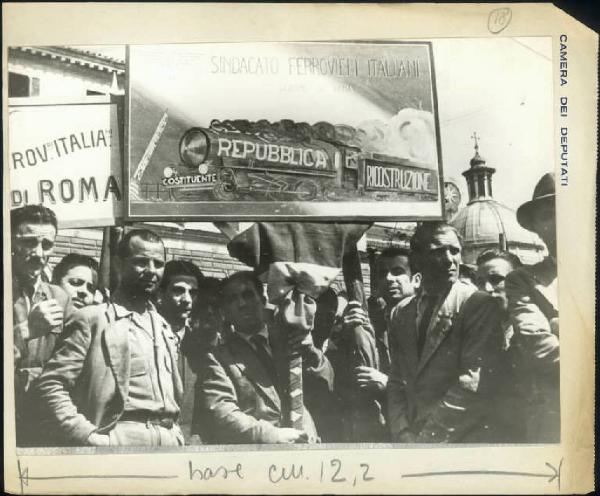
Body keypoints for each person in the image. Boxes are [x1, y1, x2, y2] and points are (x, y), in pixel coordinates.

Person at [35, 229, 184, 446]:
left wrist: (177, 436)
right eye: (141, 261)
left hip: (169, 443)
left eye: (158, 264)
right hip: (119, 441)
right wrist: (86, 434)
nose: (151, 271)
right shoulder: (93, 319)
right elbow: (52, 383)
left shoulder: (165, 329)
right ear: (118, 264)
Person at [387, 222, 504, 443]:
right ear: (418, 258)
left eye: (455, 251)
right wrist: (401, 431)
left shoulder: (477, 304)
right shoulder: (401, 312)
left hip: (459, 437)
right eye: (438, 251)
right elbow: (396, 379)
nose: (450, 259)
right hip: (409, 438)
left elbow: (471, 382)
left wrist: (426, 440)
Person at [195, 271, 334, 444]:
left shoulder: (288, 343)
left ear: (262, 300)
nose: (242, 304)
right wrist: (273, 435)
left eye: (248, 295)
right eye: (232, 299)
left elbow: (326, 385)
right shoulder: (218, 358)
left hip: (306, 443)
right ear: (226, 312)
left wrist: (311, 352)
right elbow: (222, 411)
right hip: (262, 453)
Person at [11, 205, 71, 446]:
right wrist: (27, 331)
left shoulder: (60, 297)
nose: (39, 253)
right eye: (29, 243)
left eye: (47, 244)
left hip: (45, 419)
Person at [506, 172, 559, 442]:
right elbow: (539, 345)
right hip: (556, 415)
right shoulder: (522, 280)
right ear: (536, 227)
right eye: (549, 215)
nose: (561, 222)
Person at [476, 248, 526, 441]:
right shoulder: (480, 332)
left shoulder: (537, 328)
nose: (487, 289)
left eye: (496, 279)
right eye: (480, 283)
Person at [157, 259, 204, 444]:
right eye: (178, 290)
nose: (187, 299)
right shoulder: (145, 339)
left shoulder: (201, 348)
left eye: (193, 292)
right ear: (160, 293)